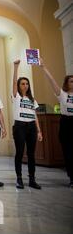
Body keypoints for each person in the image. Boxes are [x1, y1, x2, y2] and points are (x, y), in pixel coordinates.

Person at [39, 58, 73, 187]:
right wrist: (44, 67)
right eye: (71, 81)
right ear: (66, 83)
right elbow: (51, 80)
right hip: (66, 123)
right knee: (68, 151)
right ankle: (71, 177)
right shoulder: (62, 94)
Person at [12, 60, 43, 189]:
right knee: (19, 152)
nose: (25, 85)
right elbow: (13, 82)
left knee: (31, 154)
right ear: (19, 86)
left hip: (31, 127)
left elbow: (35, 115)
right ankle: (19, 179)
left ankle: (32, 179)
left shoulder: (32, 99)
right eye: (22, 84)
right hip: (19, 126)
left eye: (26, 84)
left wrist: (39, 131)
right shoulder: (16, 96)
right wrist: (16, 67)